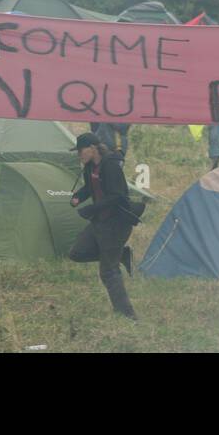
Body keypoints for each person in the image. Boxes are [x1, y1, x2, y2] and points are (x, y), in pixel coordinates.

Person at [68, 133, 138, 319]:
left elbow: (117, 196)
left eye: (81, 151)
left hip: (116, 224)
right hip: (100, 222)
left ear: (92, 148)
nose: (79, 155)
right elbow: (90, 189)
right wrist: (78, 197)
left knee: (108, 271)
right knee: (77, 253)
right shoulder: (90, 167)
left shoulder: (110, 166)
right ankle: (121, 254)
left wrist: (91, 209)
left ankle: (127, 316)